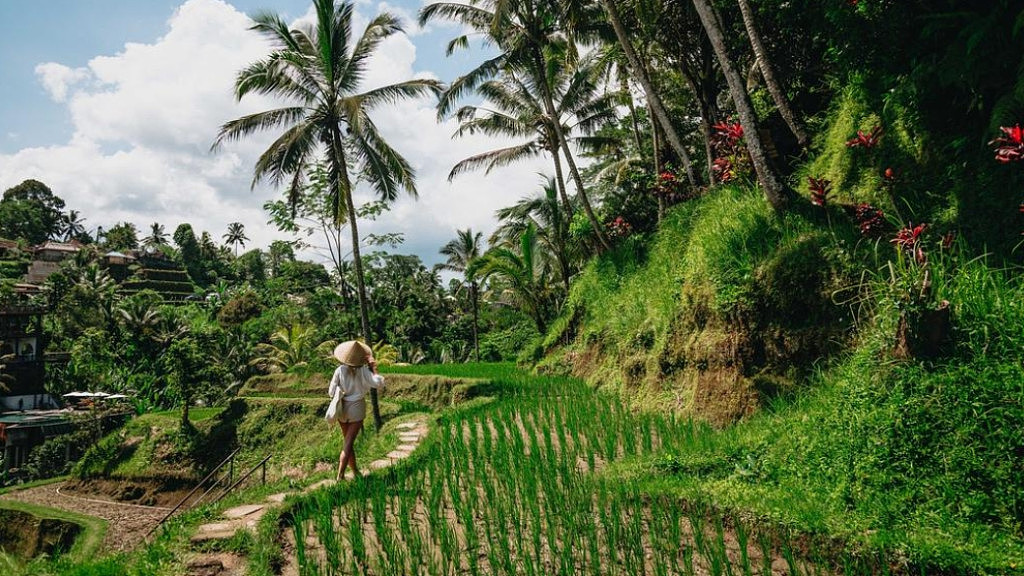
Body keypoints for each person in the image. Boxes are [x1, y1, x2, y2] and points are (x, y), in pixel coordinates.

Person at [326, 340, 384, 480]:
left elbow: (331, 392)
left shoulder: (339, 370)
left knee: (348, 441)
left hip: (342, 409)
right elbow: (379, 383)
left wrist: (343, 391)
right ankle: (340, 475)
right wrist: (373, 367)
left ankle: (355, 471)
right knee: (348, 443)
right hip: (357, 408)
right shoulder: (364, 371)